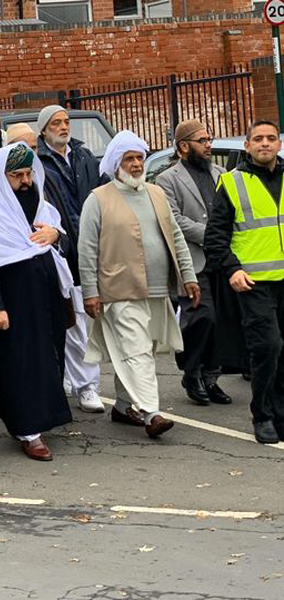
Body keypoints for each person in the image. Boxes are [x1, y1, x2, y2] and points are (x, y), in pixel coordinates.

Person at [79, 131, 198, 439]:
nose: (135, 164)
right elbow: (87, 248)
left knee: (143, 349)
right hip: (119, 290)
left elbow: (177, 239)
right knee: (136, 352)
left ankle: (121, 405)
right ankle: (151, 413)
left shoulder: (156, 193)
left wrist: (188, 276)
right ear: (116, 162)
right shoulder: (99, 199)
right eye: (129, 159)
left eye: (139, 158)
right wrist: (90, 291)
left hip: (159, 290)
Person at [0, 144, 74, 461]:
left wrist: (56, 235)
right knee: (20, 363)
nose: (25, 181)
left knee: (50, 357)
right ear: (2, 177)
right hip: (13, 302)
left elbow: (64, 240)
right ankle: (29, 431)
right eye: (17, 175)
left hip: (47, 296)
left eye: (28, 174)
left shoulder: (41, 207)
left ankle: (38, 417)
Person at [205, 120, 284, 443]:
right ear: (247, 146)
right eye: (258, 139)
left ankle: (280, 414)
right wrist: (233, 270)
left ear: (279, 144)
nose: (265, 144)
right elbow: (215, 238)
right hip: (255, 283)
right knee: (267, 348)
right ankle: (262, 415)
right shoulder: (232, 183)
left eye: (271, 138)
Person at [156, 119, 232, 407]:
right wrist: (214, 235)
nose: (209, 145)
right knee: (202, 316)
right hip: (192, 260)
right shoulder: (167, 179)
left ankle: (210, 377)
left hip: (221, 259)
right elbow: (175, 220)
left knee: (220, 321)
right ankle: (191, 372)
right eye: (203, 140)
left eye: (210, 139)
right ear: (184, 146)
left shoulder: (222, 173)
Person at [36, 105, 106, 414]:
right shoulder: (39, 161)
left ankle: (87, 384)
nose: (64, 127)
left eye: (66, 122)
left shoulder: (83, 156)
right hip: (59, 247)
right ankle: (80, 382)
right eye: (56, 123)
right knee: (67, 320)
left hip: (89, 245)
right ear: (44, 129)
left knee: (85, 322)